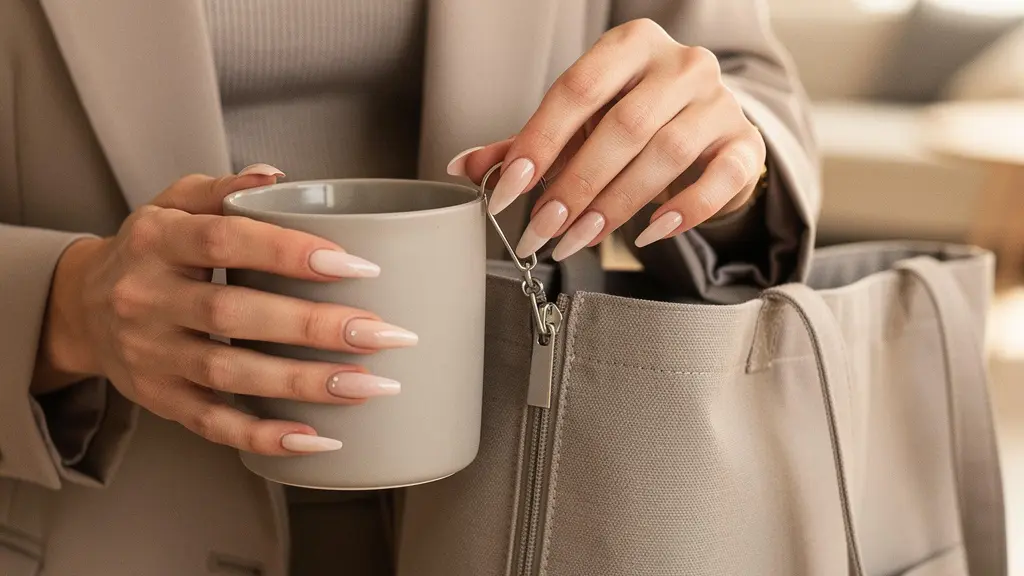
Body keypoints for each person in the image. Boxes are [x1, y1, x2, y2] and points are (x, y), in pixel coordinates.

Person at [0, 0, 817, 574]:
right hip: (87, 520)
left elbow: (748, 85)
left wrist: (722, 159)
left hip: (539, 513)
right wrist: (65, 304)